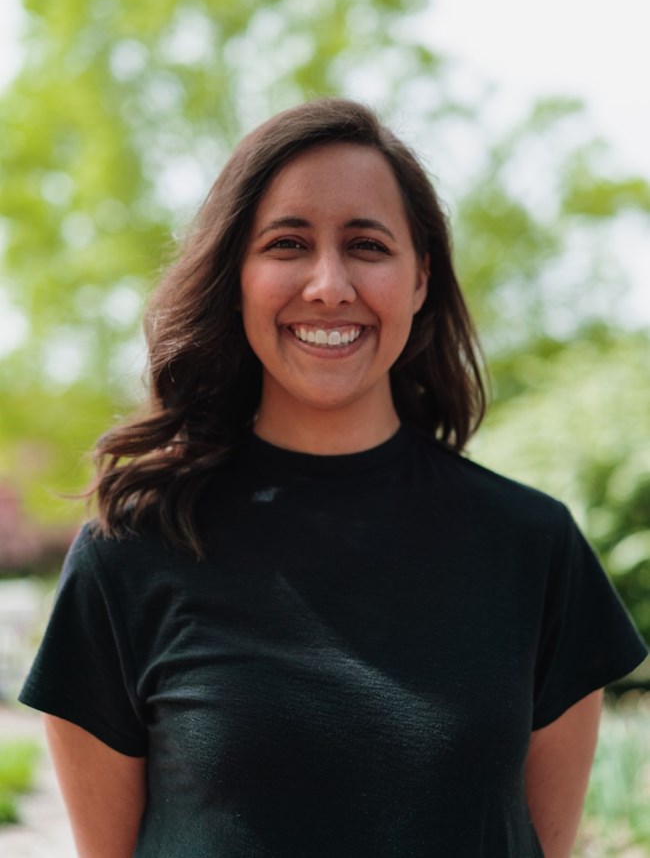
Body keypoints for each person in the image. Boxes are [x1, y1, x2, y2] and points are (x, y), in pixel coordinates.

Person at [20, 98, 647, 858]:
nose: (327, 284)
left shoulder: (534, 549)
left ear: (419, 280)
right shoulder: (130, 552)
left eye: (367, 245)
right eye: (287, 243)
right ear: (238, 278)